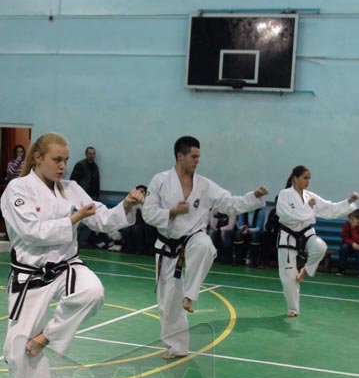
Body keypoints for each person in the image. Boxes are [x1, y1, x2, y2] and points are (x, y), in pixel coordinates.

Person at [0, 132, 144, 378]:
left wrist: (126, 205)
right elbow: (31, 232)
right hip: (30, 277)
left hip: (67, 266)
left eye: (66, 159)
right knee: (16, 355)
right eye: (57, 159)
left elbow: (104, 220)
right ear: (38, 158)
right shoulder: (18, 190)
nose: (63, 165)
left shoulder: (73, 189)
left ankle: (47, 335)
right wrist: (72, 218)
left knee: (93, 290)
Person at [142, 136, 268, 359]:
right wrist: (172, 212)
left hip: (192, 239)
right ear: (180, 156)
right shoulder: (160, 181)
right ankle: (177, 347)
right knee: (168, 303)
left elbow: (229, 203)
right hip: (167, 246)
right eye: (194, 156)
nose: (197, 161)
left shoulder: (205, 185)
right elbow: (148, 213)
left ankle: (190, 295)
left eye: (199, 156)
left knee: (206, 246)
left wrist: (253, 197)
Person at [276, 165, 358, 317]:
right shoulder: (284, 194)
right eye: (305, 178)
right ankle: (293, 309)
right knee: (287, 275)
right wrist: (308, 208)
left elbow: (329, 209)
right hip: (288, 234)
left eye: (309, 178)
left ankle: (306, 270)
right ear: (295, 178)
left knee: (320, 247)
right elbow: (286, 215)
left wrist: (348, 202)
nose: (308, 181)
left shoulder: (310, 196)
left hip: (305, 231)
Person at [70, 146, 101, 247]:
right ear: (86, 154)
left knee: (89, 220)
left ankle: (83, 241)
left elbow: (96, 183)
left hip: (91, 198)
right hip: (79, 197)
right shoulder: (80, 165)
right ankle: (74, 240)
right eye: (90, 154)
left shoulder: (95, 167)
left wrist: (96, 196)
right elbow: (73, 181)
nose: (92, 156)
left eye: (93, 154)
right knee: (78, 220)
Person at [120, 184, 157, 255]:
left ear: (146, 193)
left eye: (142, 191)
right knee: (126, 229)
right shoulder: (133, 202)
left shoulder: (150, 202)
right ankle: (130, 248)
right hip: (135, 223)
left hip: (147, 224)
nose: (140, 193)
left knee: (137, 229)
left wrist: (142, 204)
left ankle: (141, 249)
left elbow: (147, 217)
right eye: (138, 191)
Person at [336, 210, 359, 276]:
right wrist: (352, 243)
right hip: (349, 246)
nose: (350, 221)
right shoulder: (347, 225)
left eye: (352, 219)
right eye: (349, 219)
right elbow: (344, 237)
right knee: (344, 247)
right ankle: (341, 269)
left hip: (358, 246)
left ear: (358, 220)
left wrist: (353, 229)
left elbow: (357, 240)